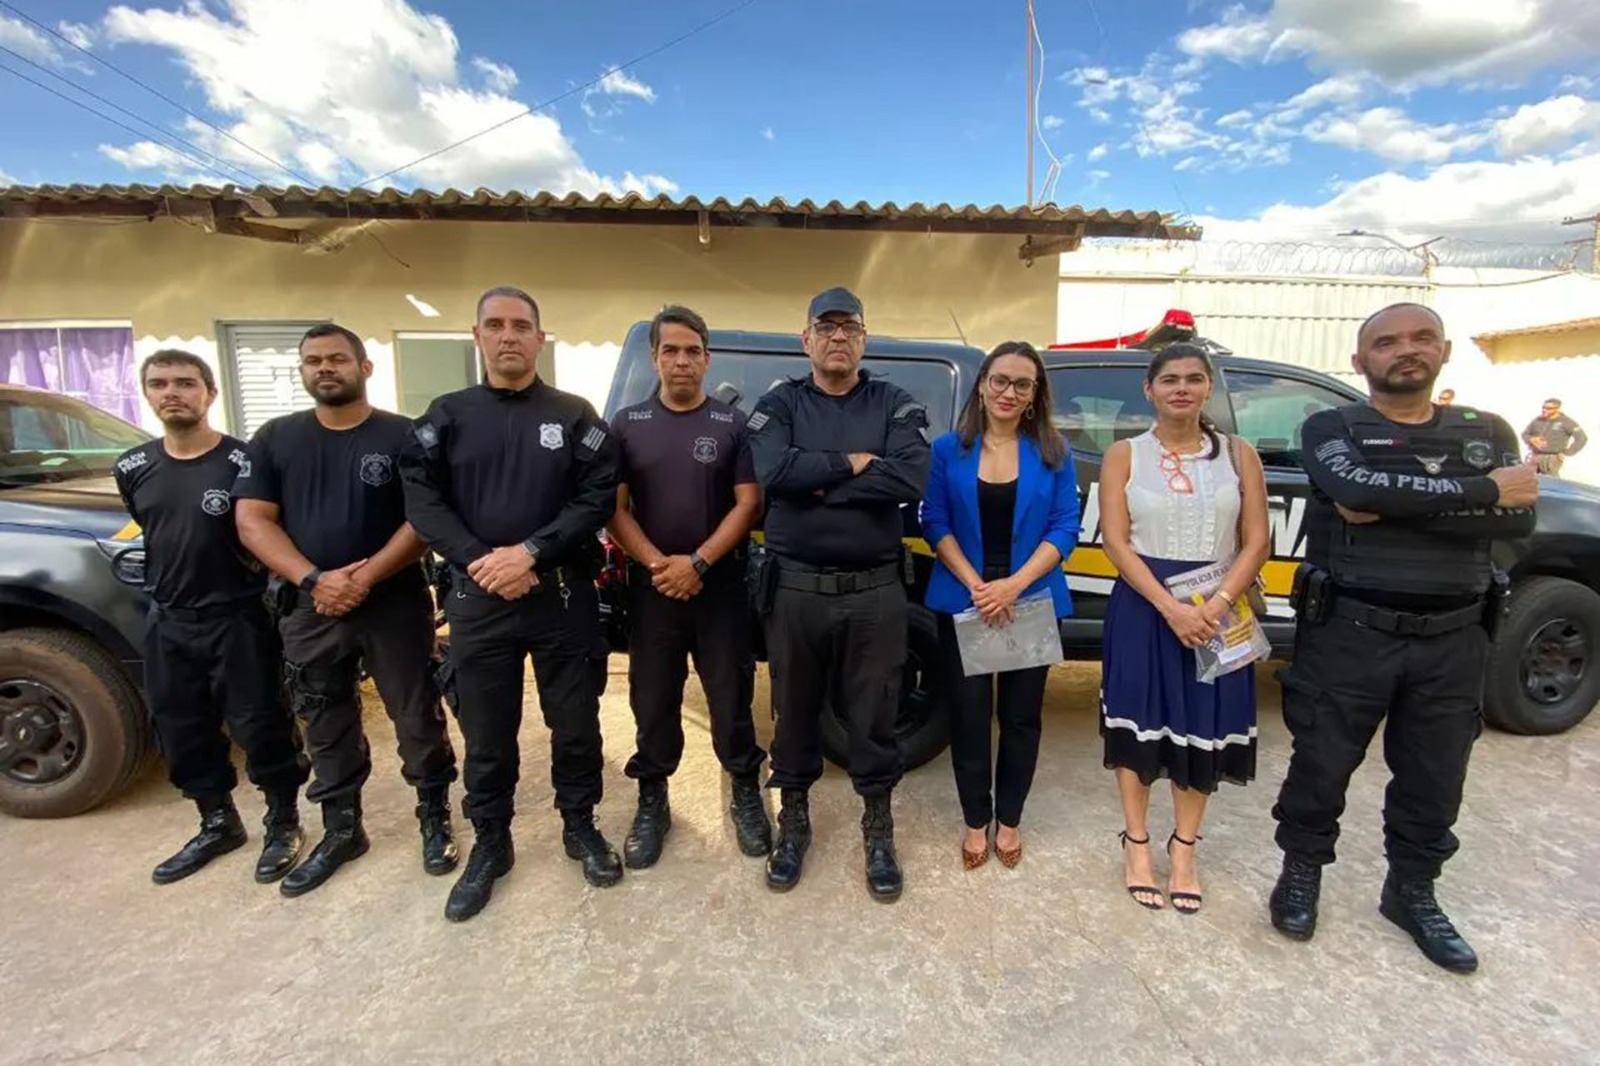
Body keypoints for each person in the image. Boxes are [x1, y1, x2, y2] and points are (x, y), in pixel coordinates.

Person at [1269, 303, 1538, 973]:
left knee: (1436, 776)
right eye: (1386, 343)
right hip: (1351, 630)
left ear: (1443, 350)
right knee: (1321, 762)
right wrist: (1478, 494)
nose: (1404, 350)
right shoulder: (1332, 425)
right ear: (1361, 362)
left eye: (1420, 338)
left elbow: (1518, 518)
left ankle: (1412, 891)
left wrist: (1391, 505)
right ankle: (1301, 872)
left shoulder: (1487, 429)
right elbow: (1348, 488)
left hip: (1454, 639)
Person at [400, 285, 621, 922]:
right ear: (477, 337)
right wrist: (482, 561)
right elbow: (423, 502)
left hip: (560, 596)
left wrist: (530, 553)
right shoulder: (445, 416)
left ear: (539, 339)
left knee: (576, 725)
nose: (508, 336)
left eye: (521, 326)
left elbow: (596, 497)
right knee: (488, 733)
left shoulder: (574, 416)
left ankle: (580, 825)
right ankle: (491, 843)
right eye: (494, 325)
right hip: (478, 599)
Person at [235, 323, 459, 898]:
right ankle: (341, 828)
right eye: (313, 361)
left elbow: (425, 517)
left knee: (415, 711)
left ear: (365, 367)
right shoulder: (276, 438)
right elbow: (253, 519)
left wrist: (366, 575)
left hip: (394, 601)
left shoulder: (404, 436)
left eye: (337, 359)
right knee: (323, 716)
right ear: (303, 371)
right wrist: (314, 579)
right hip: (311, 605)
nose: (324, 369)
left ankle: (434, 816)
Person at [747, 286, 932, 901]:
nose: (836, 337)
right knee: (793, 711)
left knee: (875, 715)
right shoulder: (781, 403)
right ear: (806, 340)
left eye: (848, 327)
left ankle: (878, 827)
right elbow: (772, 472)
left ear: (863, 339)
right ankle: (793, 821)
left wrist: (816, 481)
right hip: (795, 590)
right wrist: (854, 463)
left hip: (876, 594)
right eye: (824, 327)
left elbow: (910, 474)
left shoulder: (892, 401)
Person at [113, 350, 309, 885]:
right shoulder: (133, 467)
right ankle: (217, 821)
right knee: (182, 724)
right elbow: (147, 523)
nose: (171, 392)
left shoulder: (244, 463)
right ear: (147, 393)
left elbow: (268, 530)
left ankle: (282, 820)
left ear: (209, 393)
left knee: (261, 720)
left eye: (184, 383)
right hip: (169, 618)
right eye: (158, 384)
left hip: (238, 615)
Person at [1098, 342, 1269, 914]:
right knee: (1139, 726)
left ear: (1208, 387)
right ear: (1148, 389)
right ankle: (1138, 842)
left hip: (1218, 608)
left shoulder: (1240, 455)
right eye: (1169, 379)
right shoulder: (1125, 455)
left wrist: (1217, 603)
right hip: (1146, 607)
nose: (1181, 388)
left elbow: (1258, 540)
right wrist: (1171, 608)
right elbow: (1117, 542)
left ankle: (1186, 849)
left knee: (1205, 727)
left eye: (1194, 379)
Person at [605, 305, 771, 867]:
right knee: (652, 701)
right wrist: (660, 566)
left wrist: (697, 562)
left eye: (692, 351)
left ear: (707, 358)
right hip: (653, 593)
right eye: (670, 350)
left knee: (731, 698)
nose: (682, 361)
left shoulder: (731, 425)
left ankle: (745, 788)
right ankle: (653, 799)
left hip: (720, 590)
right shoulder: (626, 425)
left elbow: (749, 503)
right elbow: (615, 509)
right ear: (655, 357)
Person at [920, 341, 1079, 870]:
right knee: (967, 717)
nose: (1009, 392)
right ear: (983, 384)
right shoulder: (949, 450)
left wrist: (1012, 586)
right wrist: (978, 585)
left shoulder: (1055, 452)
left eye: (1022, 384)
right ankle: (974, 821)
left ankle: (1008, 820)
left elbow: (1064, 527)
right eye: (1001, 380)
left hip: (1028, 600)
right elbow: (934, 522)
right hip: (964, 599)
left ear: (1035, 395)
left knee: (1020, 718)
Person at [1522, 397, 1587, 476]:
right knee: (1527, 480)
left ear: (1558, 409)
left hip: (1552, 458)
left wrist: (1567, 452)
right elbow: (1525, 434)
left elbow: (1581, 438)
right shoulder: (1537, 420)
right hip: (1535, 456)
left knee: (1550, 481)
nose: (1544, 410)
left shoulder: (1566, 422)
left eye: (1549, 408)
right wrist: (1531, 439)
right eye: (1543, 407)